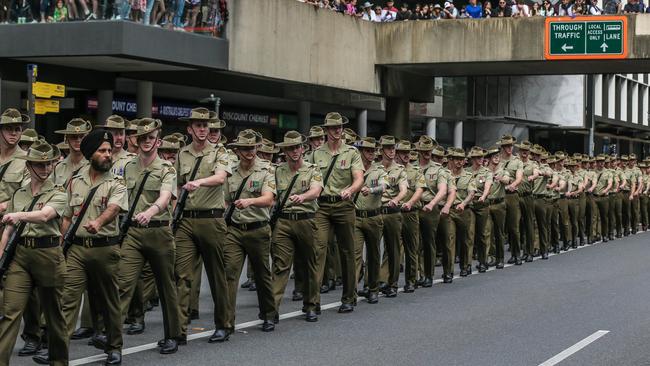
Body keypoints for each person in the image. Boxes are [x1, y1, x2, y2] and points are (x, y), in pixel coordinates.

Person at [59, 130, 127, 366]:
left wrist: (98, 222)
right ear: (90, 154)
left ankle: (115, 346)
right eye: (102, 150)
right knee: (68, 299)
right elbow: (67, 217)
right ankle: (59, 351)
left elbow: (115, 208)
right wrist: (60, 242)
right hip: (77, 250)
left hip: (105, 249)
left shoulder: (117, 183)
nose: (108, 154)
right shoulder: (75, 181)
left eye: (109, 150)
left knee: (110, 300)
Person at [0, 141, 68, 366]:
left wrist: (19, 215)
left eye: (49, 164)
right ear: (29, 166)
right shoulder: (19, 193)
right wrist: (1, 256)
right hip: (20, 255)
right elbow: (8, 229)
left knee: (53, 314)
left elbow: (45, 215)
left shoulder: (58, 192)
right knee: (10, 312)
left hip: (48, 254)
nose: (46, 169)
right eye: (40, 164)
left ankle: (59, 361)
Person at [118, 118, 181, 354]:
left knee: (166, 286)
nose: (146, 142)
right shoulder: (128, 167)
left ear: (158, 140)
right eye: (142, 138)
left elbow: (165, 196)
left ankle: (173, 335)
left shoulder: (167, 168)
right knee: (123, 284)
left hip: (159, 230)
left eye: (151, 138)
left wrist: (151, 211)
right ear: (136, 141)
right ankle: (113, 340)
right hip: (133, 232)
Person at [174, 107, 231, 343]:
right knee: (182, 275)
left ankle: (223, 325)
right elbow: (177, 185)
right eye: (197, 125)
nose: (202, 129)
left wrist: (198, 182)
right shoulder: (182, 154)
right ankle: (178, 329)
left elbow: (220, 177)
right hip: (186, 220)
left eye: (205, 125)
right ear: (189, 129)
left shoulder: (220, 152)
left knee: (216, 274)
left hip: (212, 219)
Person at [309, 112, 364, 314]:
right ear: (326, 130)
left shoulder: (351, 152)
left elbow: (359, 178)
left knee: (348, 252)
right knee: (317, 251)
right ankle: (312, 303)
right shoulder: (315, 154)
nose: (337, 130)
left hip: (344, 206)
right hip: (322, 207)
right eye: (333, 127)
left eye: (339, 126)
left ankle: (349, 297)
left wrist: (351, 189)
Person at [224, 129, 278, 332]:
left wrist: (250, 201)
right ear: (237, 150)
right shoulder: (230, 171)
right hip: (235, 231)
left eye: (253, 148)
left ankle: (268, 314)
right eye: (245, 148)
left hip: (258, 229)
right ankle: (226, 322)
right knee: (229, 274)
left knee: (262, 274)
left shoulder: (267, 170)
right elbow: (225, 200)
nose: (249, 152)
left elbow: (269, 199)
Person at [271, 131, 323, 322]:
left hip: (306, 220)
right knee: (280, 266)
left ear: (303, 148)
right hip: (284, 222)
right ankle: (271, 310)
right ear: (284, 151)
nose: (294, 151)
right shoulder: (277, 171)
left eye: (297, 147)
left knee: (310, 264)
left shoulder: (313, 169)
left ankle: (311, 304)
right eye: (290, 148)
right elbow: (272, 195)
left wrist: (303, 197)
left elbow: (316, 190)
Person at [353, 137, 386, 304]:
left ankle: (373, 288)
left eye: (373, 151)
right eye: (368, 151)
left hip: (374, 217)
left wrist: (371, 189)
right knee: (355, 255)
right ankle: (351, 291)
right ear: (361, 152)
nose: (372, 154)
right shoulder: (354, 169)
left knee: (374, 254)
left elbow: (383, 186)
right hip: (356, 217)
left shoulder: (379, 170)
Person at [376, 136, 407, 297]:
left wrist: (396, 199)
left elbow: (403, 190)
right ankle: (371, 284)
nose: (391, 151)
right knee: (374, 249)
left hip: (393, 213)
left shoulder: (400, 170)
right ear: (381, 151)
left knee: (393, 249)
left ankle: (392, 283)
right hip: (376, 211)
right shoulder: (374, 168)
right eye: (388, 148)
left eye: (393, 148)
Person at [419, 141, 453, 284]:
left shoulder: (441, 171)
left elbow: (449, 191)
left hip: (437, 208)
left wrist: (446, 206)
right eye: (436, 157)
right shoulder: (413, 168)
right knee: (421, 243)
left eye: (440, 157)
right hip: (418, 208)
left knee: (444, 241)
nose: (439, 160)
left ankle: (447, 271)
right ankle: (423, 274)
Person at [394, 140, 425, 291]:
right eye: (403, 153)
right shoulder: (390, 170)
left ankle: (411, 280)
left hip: (410, 212)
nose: (406, 155)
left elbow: (419, 190)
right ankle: (389, 282)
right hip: (394, 212)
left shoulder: (416, 171)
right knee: (391, 248)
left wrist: (411, 203)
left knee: (411, 248)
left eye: (408, 153)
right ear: (397, 154)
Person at [468, 147, 492, 273]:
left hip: (482, 205)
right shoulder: (466, 171)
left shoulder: (487, 172)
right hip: (470, 205)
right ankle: (466, 264)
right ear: (472, 159)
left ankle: (483, 261)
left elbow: (487, 186)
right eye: (478, 157)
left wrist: (483, 196)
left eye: (482, 157)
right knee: (469, 235)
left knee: (482, 234)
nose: (481, 159)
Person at [52, 118, 91, 186]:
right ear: (66, 139)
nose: (78, 140)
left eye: (82, 136)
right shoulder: (58, 168)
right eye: (74, 137)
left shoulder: (93, 166)